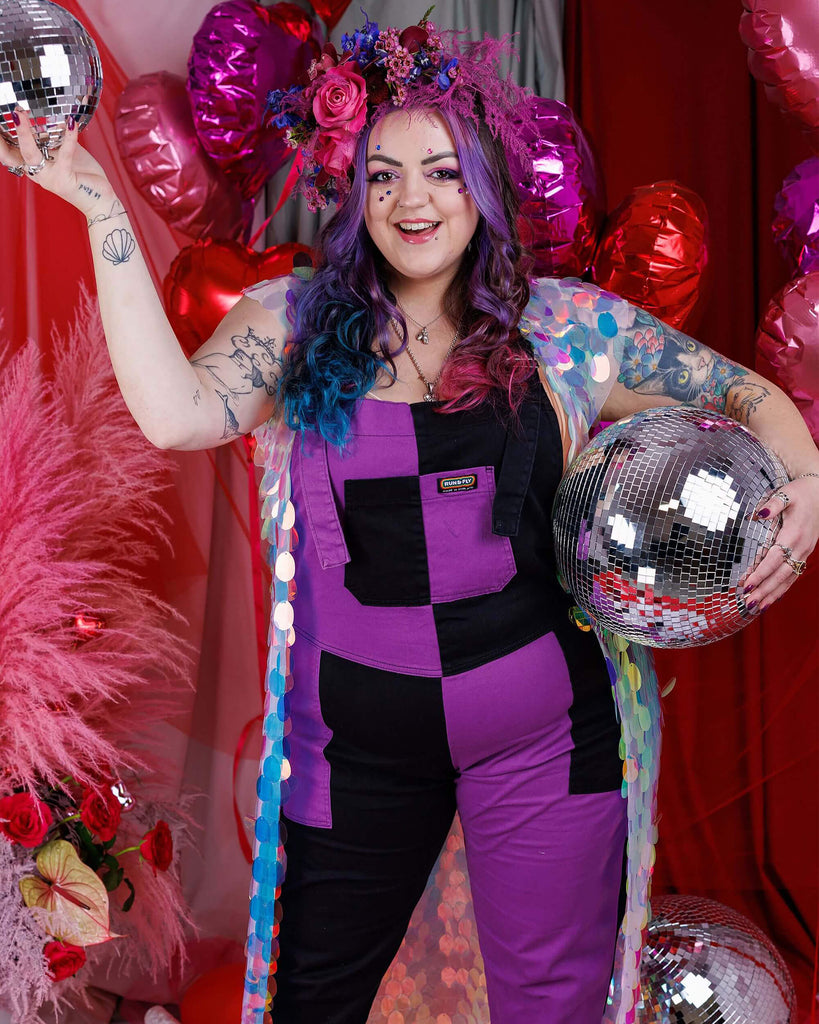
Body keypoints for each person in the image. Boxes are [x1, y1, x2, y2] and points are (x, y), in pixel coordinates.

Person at [3, 14, 819, 1024]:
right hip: (351, 744)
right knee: (311, 1002)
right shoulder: (289, 326)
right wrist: (96, 204)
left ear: (479, 183)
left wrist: (808, 481)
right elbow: (174, 415)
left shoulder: (565, 325)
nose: (411, 200)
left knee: (554, 1006)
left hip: (543, 736)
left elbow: (744, 395)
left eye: (437, 171)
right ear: (352, 190)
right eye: (382, 175)